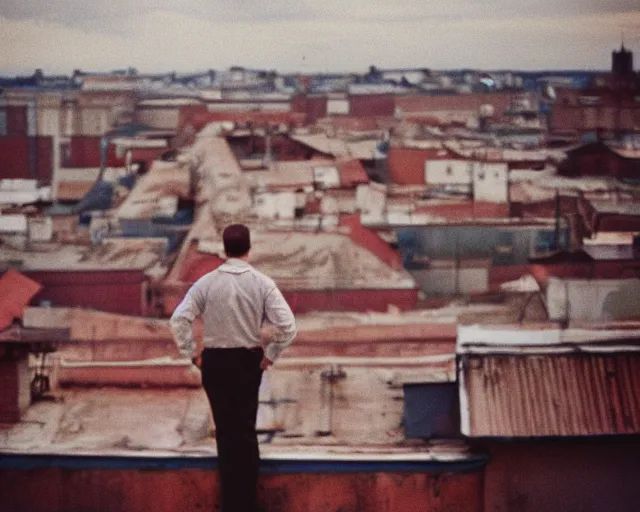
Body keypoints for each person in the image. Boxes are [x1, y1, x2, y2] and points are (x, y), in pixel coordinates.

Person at [170, 223, 297, 512]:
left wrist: (192, 354)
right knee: (245, 431)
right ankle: (247, 503)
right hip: (246, 362)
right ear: (249, 249)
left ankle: (230, 503)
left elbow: (179, 320)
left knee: (225, 433)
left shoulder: (205, 283)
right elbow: (288, 326)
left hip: (215, 363)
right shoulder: (262, 283)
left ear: (223, 249)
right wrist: (270, 355)